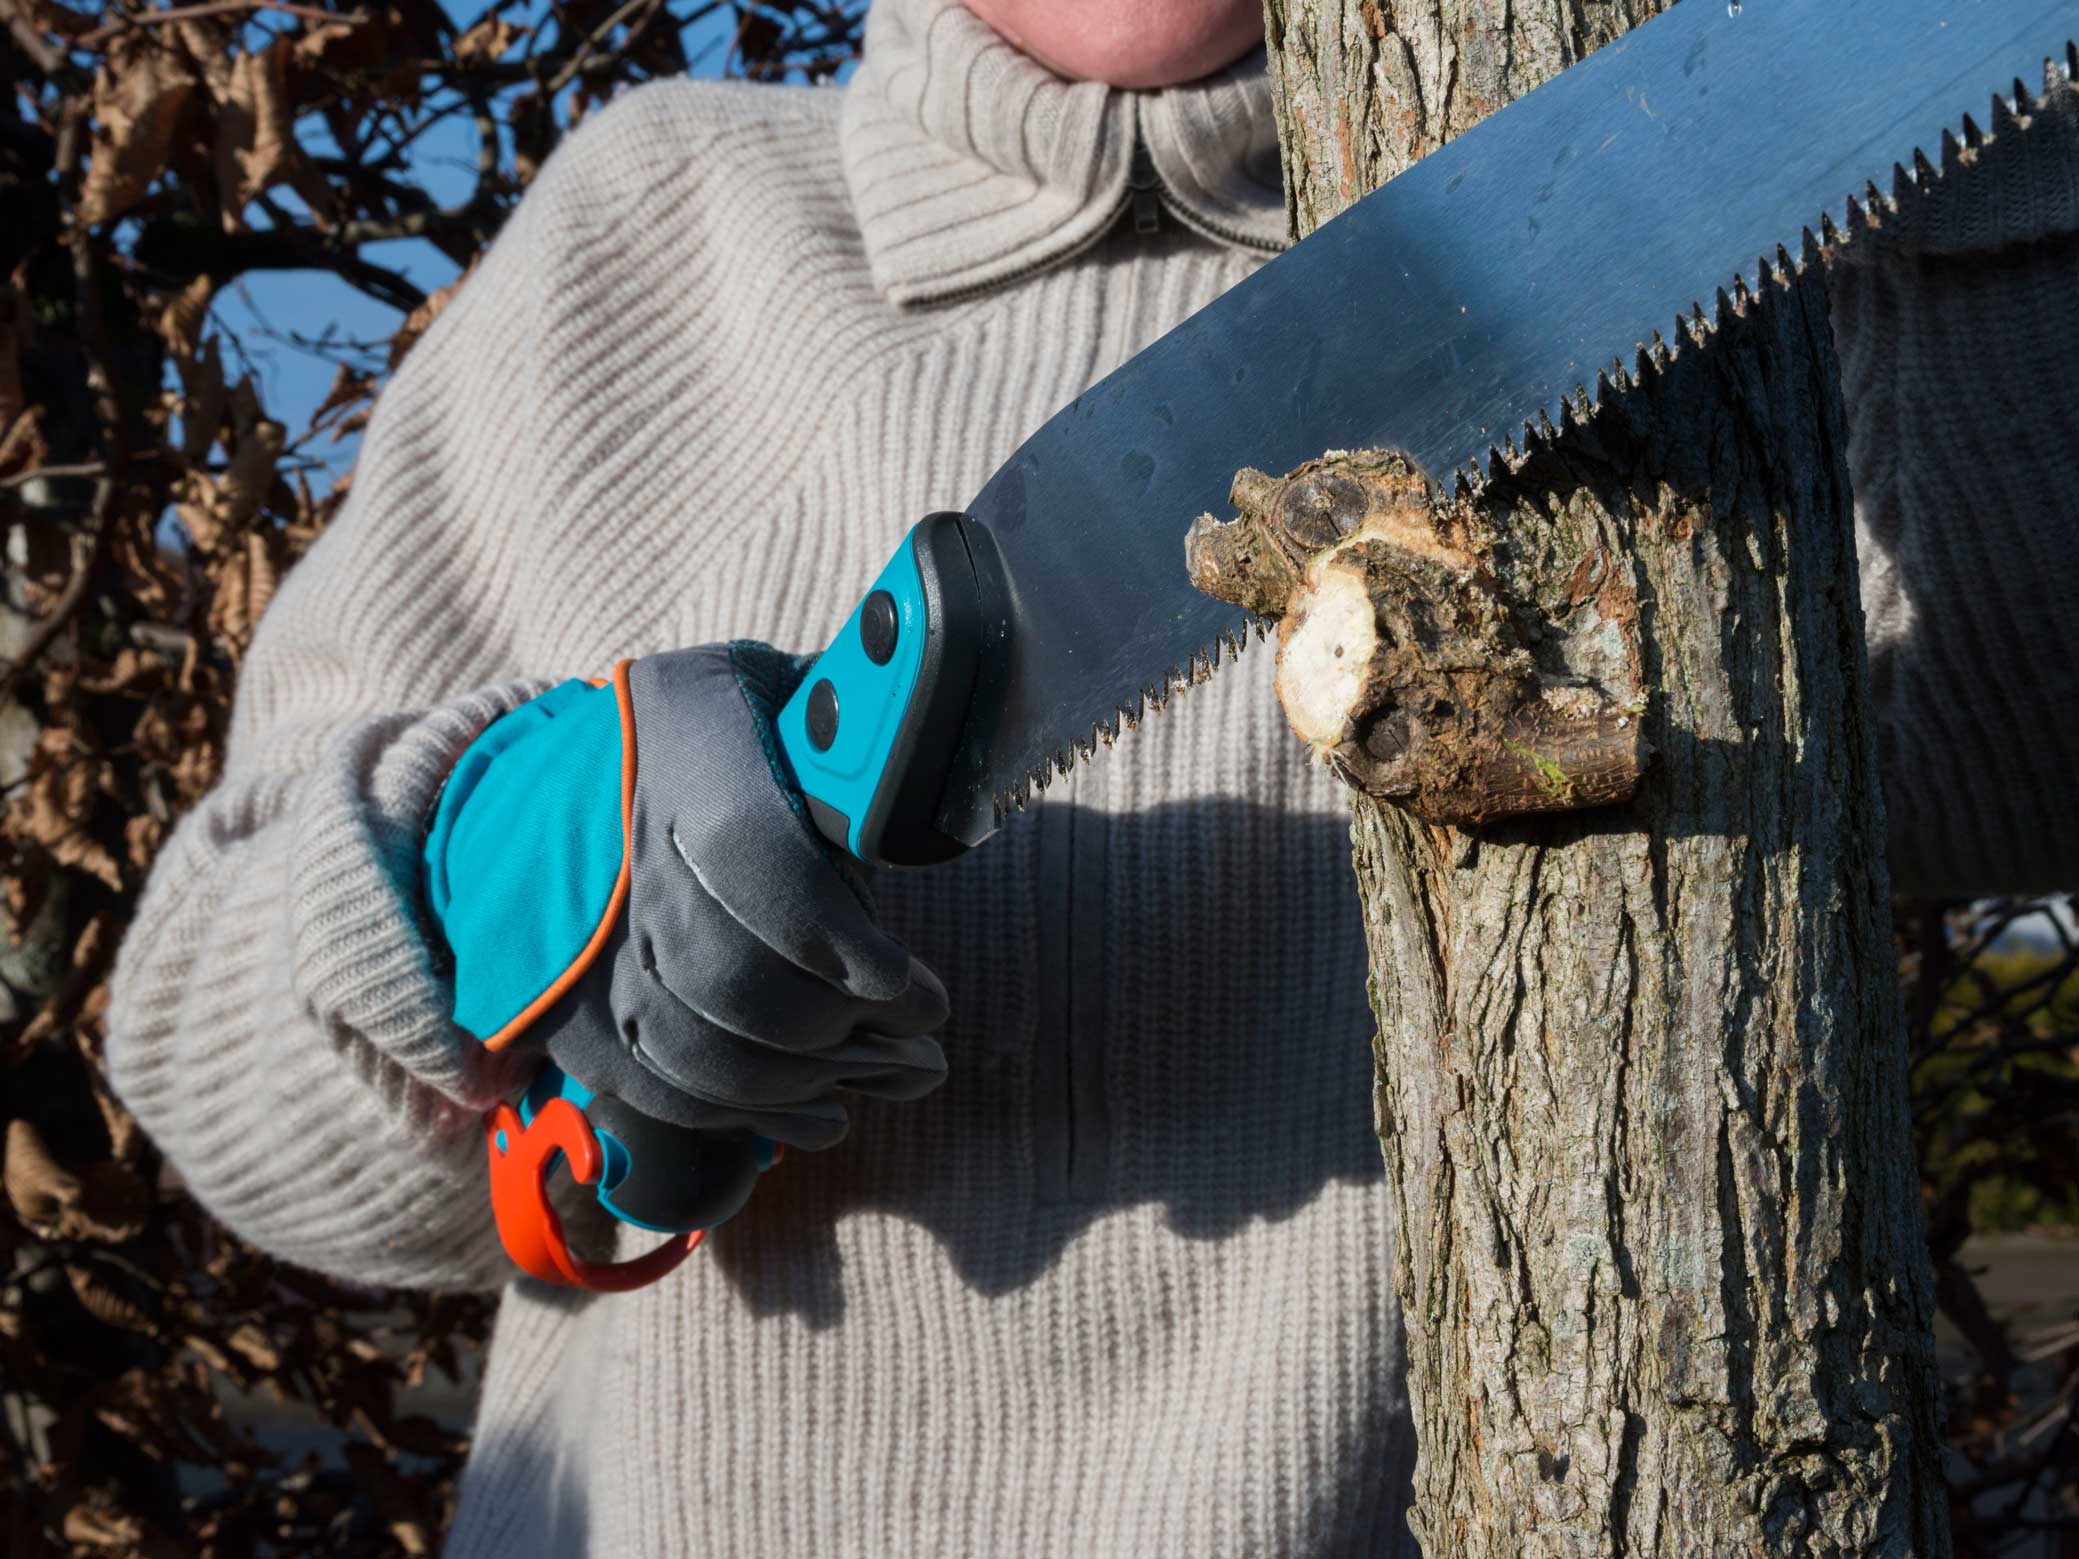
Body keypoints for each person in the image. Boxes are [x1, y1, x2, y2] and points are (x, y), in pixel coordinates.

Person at [104, 0, 2077, 1554]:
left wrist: (1916, 116)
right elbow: (206, 1044)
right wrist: (498, 869)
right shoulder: (652, 235)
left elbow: (2017, 739)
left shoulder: (1654, 256)